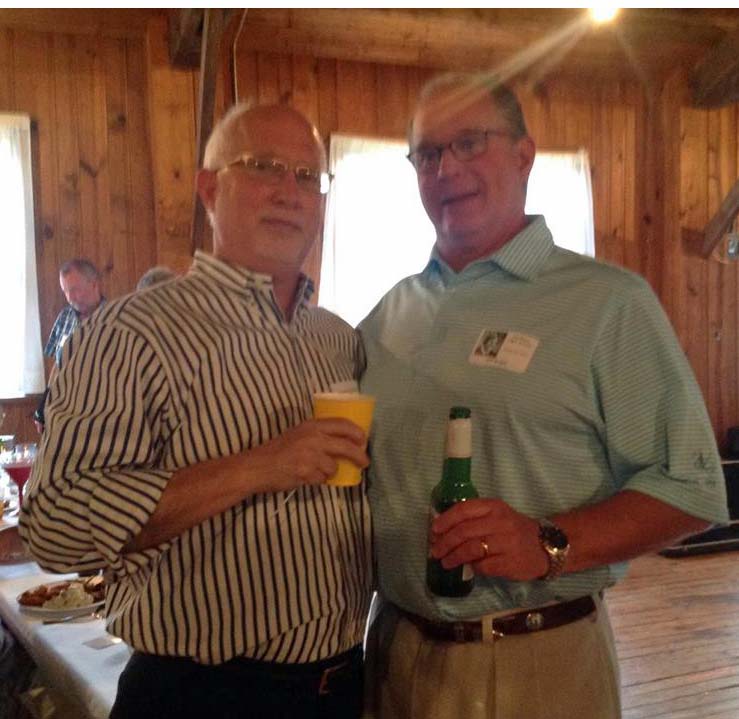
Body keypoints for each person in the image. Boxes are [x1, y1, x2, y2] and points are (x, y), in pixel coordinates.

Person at [358, 72, 729, 719]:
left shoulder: (606, 303)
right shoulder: (389, 312)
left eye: (469, 143)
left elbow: (691, 489)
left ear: (524, 154)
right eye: (427, 153)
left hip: (536, 661)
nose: (446, 169)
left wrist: (551, 542)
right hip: (391, 656)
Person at [19, 103, 372, 719]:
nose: (288, 191)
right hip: (203, 696)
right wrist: (259, 466)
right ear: (210, 189)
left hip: (343, 685)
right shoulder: (131, 331)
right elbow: (54, 526)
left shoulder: (339, 339)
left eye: (306, 176)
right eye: (263, 166)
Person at [33, 258, 104, 432]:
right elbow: (57, 366)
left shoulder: (114, 319)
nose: (70, 297)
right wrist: (43, 406)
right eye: (65, 291)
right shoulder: (64, 317)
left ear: (94, 284)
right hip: (64, 413)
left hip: (100, 412)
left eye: (75, 289)